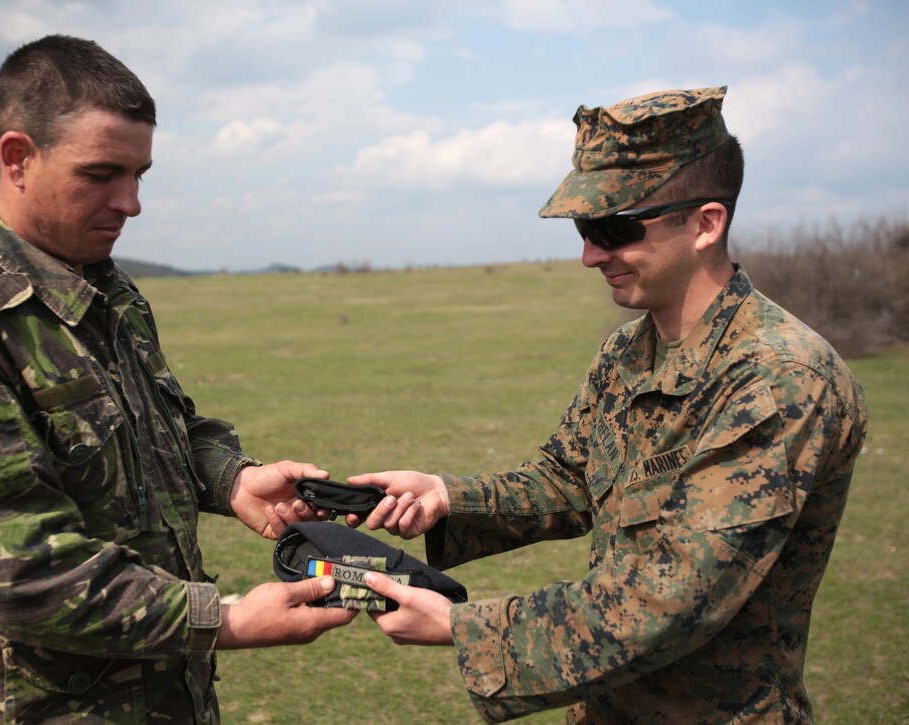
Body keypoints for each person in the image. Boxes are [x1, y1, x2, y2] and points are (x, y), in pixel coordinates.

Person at [343, 87, 868, 723]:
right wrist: (445, 497)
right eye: (586, 230)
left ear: (706, 224)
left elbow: (678, 596)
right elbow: (568, 481)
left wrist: (468, 628)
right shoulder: (628, 351)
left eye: (616, 229)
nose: (591, 255)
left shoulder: (781, 378)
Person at [0, 34, 353, 723]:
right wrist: (229, 618)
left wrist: (233, 477)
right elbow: (14, 574)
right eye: (101, 174)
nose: (131, 203)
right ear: (17, 158)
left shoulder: (107, 293)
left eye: (140, 175)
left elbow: (163, 431)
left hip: (167, 695)